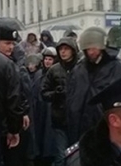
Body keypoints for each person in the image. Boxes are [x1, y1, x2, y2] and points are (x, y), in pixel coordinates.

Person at [41, 37, 79, 166]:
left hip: (78, 120)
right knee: (61, 156)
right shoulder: (54, 69)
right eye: (61, 49)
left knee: (76, 157)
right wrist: (56, 94)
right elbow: (44, 93)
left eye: (66, 49)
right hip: (59, 120)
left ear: (73, 50)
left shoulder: (82, 68)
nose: (63, 52)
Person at [0, 24, 24, 165]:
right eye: (7, 43)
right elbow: (13, 100)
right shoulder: (7, 65)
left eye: (13, 44)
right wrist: (14, 130)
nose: (11, 47)